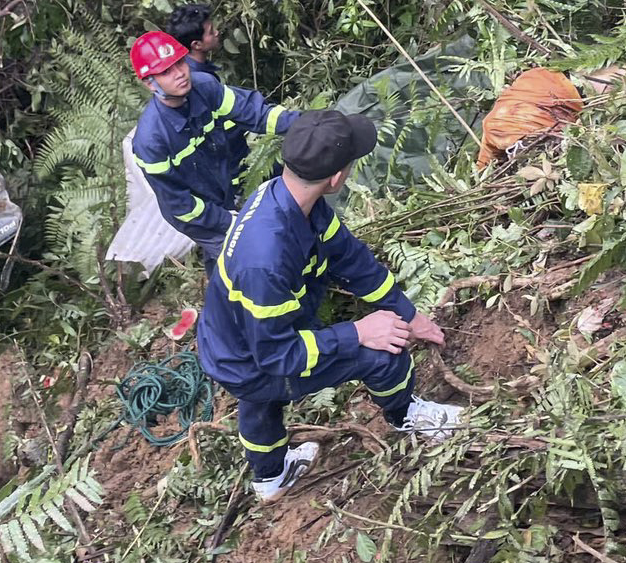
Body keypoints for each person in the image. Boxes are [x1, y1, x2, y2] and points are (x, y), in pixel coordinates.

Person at [196, 109, 464, 502]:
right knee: (382, 352)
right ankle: (406, 415)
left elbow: (351, 259)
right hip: (256, 358)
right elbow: (278, 356)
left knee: (260, 402)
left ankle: (269, 478)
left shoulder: (290, 198)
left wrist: (409, 313)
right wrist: (358, 332)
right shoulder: (265, 258)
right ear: (336, 177)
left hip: (230, 343)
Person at [129, 31, 299, 273]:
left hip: (225, 185)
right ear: (149, 84)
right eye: (166, 71)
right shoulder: (151, 141)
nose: (179, 73)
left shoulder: (205, 87)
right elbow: (179, 204)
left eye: (179, 63)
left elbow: (256, 114)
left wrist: (306, 123)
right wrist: (227, 221)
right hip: (196, 214)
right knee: (241, 257)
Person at [165, 3, 222, 81]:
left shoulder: (193, 68)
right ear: (196, 45)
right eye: (211, 32)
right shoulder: (199, 80)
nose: (217, 32)